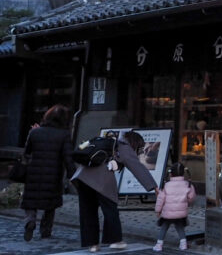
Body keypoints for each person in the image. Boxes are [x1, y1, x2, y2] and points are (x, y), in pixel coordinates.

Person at [73, 130, 158, 252]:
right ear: (135, 143)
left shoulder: (99, 140)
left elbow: (80, 147)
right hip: (101, 181)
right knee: (110, 209)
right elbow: (137, 167)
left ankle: (92, 245)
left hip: (82, 178)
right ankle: (115, 240)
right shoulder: (124, 146)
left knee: (88, 211)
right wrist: (154, 186)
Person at [20, 105, 75, 241]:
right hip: (53, 173)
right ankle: (45, 230)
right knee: (50, 204)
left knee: (31, 201)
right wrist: (72, 175)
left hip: (34, 171)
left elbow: (27, 152)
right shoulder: (64, 134)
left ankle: (30, 221)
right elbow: (68, 157)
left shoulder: (35, 132)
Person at [154, 162, 195, 252]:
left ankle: (159, 245)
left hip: (167, 213)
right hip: (181, 213)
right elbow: (191, 198)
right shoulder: (188, 185)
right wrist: (185, 203)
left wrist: (158, 210)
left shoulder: (166, 185)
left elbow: (161, 199)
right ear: (183, 173)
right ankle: (183, 244)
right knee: (180, 226)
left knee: (164, 227)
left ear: (171, 173)